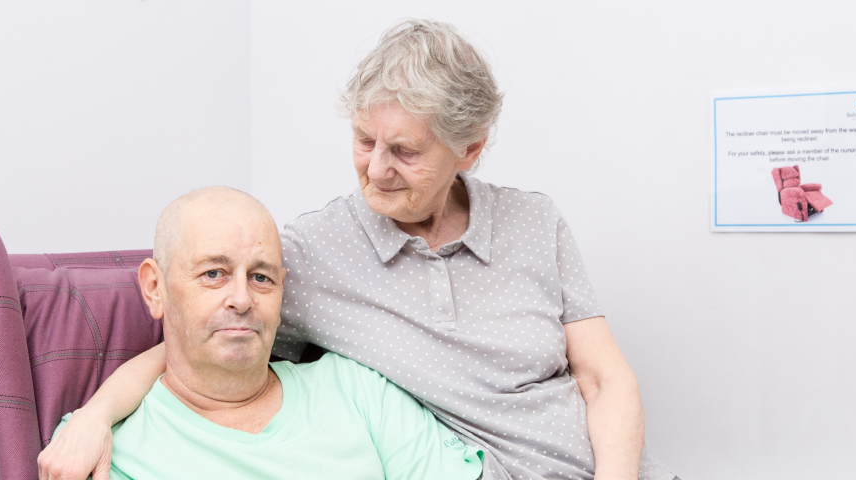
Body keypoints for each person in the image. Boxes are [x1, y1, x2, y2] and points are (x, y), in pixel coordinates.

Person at [41, 19, 676, 480]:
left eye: (405, 151)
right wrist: (94, 416)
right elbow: (202, 335)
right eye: (364, 139)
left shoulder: (533, 221)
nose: (375, 169)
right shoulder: (309, 255)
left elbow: (603, 377)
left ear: (470, 151)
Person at [40, 186, 484, 480]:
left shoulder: (361, 392)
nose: (241, 299)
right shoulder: (100, 446)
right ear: (155, 288)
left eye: (261, 277)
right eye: (213, 274)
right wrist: (95, 416)